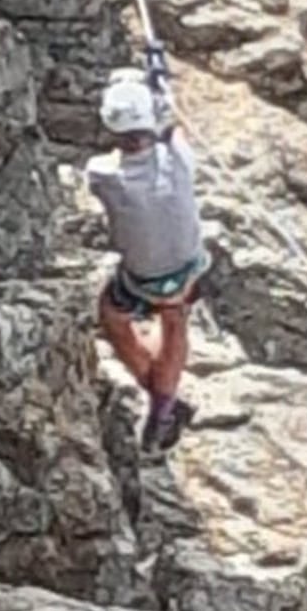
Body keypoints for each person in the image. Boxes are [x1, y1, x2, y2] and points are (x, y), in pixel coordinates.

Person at [84, 43, 210, 452]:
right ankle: (164, 404)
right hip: (190, 267)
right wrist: (159, 82)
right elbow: (173, 127)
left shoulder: (103, 174)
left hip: (142, 280)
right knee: (174, 317)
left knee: (111, 315)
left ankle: (162, 400)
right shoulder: (179, 159)